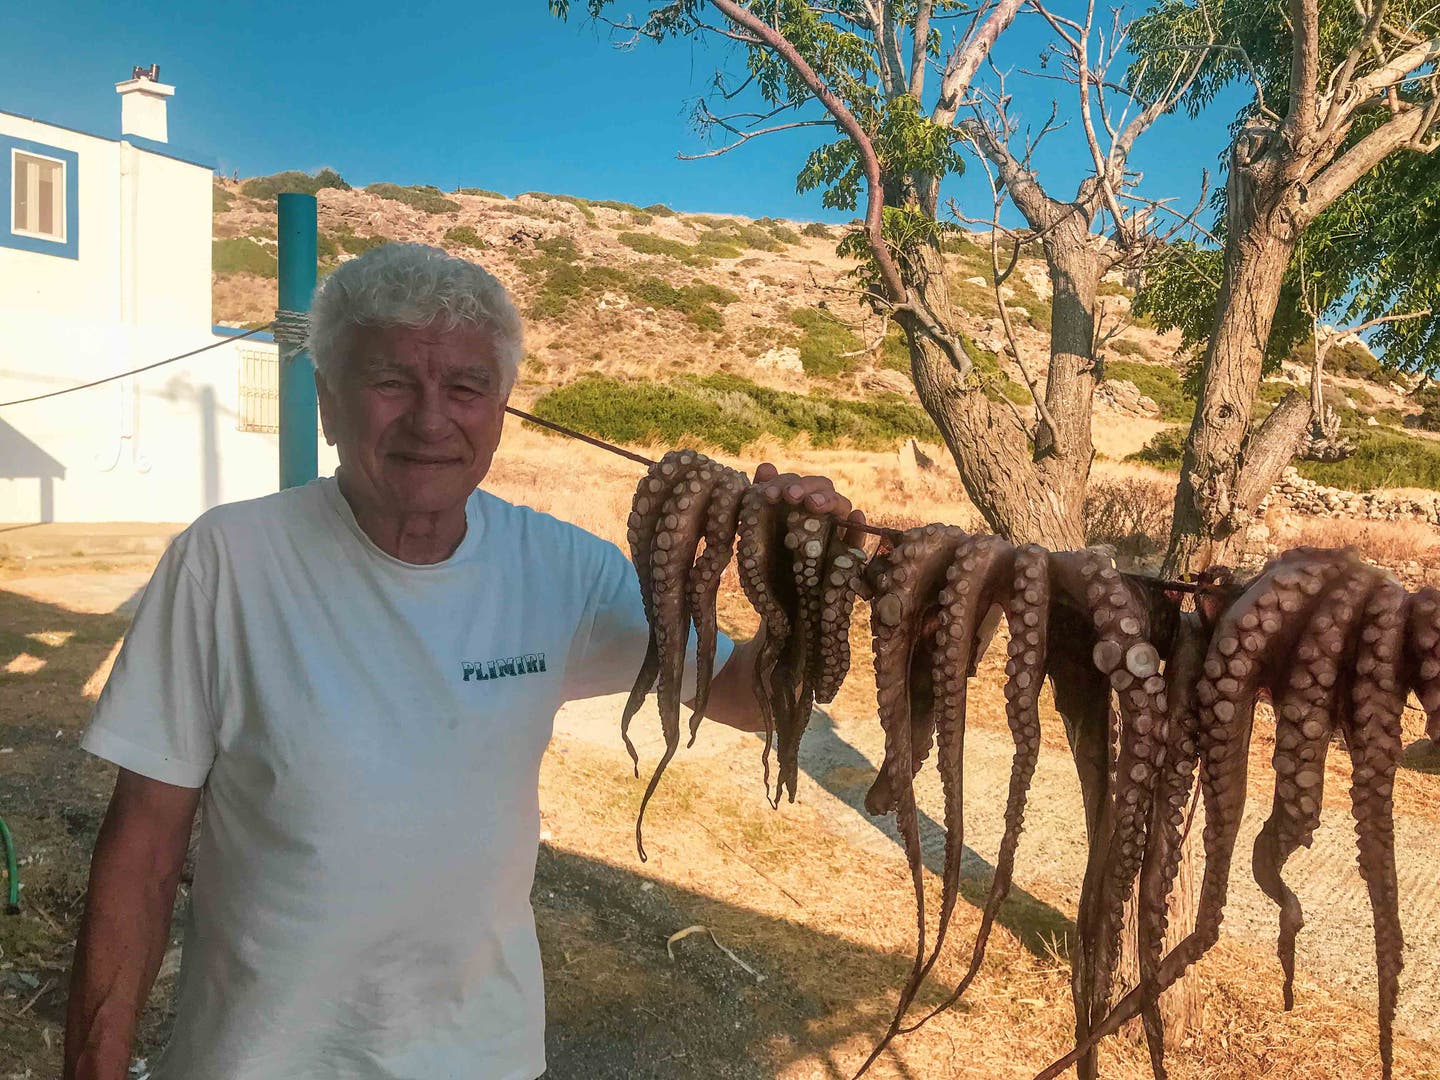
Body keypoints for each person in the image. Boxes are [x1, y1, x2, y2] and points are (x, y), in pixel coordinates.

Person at [62, 242, 861, 1080]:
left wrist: (797, 591)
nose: (430, 419)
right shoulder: (226, 561)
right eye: (391, 381)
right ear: (329, 402)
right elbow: (143, 849)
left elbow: (749, 696)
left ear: (503, 408)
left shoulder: (560, 570)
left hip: (484, 1058)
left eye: (466, 388)